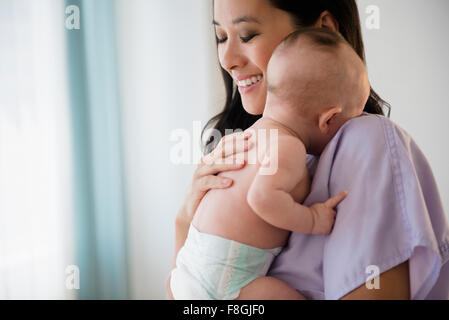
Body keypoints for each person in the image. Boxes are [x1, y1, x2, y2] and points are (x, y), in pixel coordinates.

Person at [167, 0, 449, 300]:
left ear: (324, 28)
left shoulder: (367, 141)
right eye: (221, 38)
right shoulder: (248, 146)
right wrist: (185, 220)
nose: (228, 59)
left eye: (247, 35)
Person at [170, 28, 369, 300]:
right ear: (328, 120)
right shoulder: (287, 146)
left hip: (187, 271)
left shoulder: (251, 134)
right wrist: (312, 220)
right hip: (229, 278)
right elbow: (262, 198)